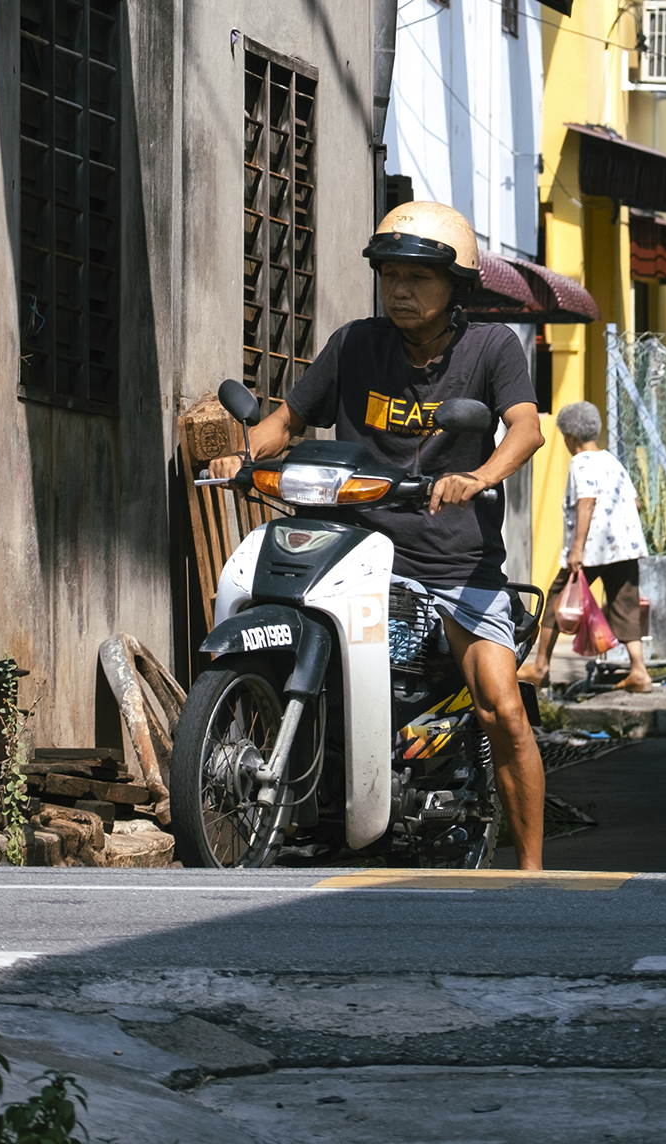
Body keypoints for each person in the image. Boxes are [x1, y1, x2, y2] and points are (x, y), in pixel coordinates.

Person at [212, 196, 547, 868]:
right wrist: (245, 455)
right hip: (357, 550)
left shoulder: (491, 348)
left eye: (418, 277)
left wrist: (479, 477)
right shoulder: (356, 345)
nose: (400, 288)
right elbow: (288, 421)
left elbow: (528, 428)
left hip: (455, 565)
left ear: (456, 285)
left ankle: (534, 871)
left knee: (503, 708)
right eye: (390, 274)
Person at [519, 401, 653, 692]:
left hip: (592, 549)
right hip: (625, 547)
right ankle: (639, 671)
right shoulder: (611, 460)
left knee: (558, 599)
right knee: (625, 605)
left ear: (570, 436)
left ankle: (541, 667)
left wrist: (577, 549)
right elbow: (635, 503)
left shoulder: (580, 462)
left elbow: (586, 502)